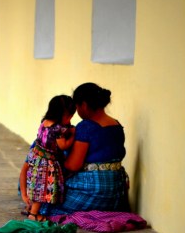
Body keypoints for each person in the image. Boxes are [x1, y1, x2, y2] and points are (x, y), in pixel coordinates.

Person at [42, 82, 129, 216]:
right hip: (117, 192)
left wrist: (59, 161)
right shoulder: (116, 124)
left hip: (94, 191)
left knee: (46, 203)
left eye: (76, 107)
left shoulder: (86, 126)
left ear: (83, 105)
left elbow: (73, 165)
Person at [21, 95, 75, 221]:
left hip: (35, 156)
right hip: (46, 162)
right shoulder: (58, 129)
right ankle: (34, 214)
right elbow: (63, 145)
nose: (70, 120)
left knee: (35, 185)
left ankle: (30, 208)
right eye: (69, 116)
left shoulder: (44, 122)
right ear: (62, 115)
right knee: (43, 187)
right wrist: (73, 134)